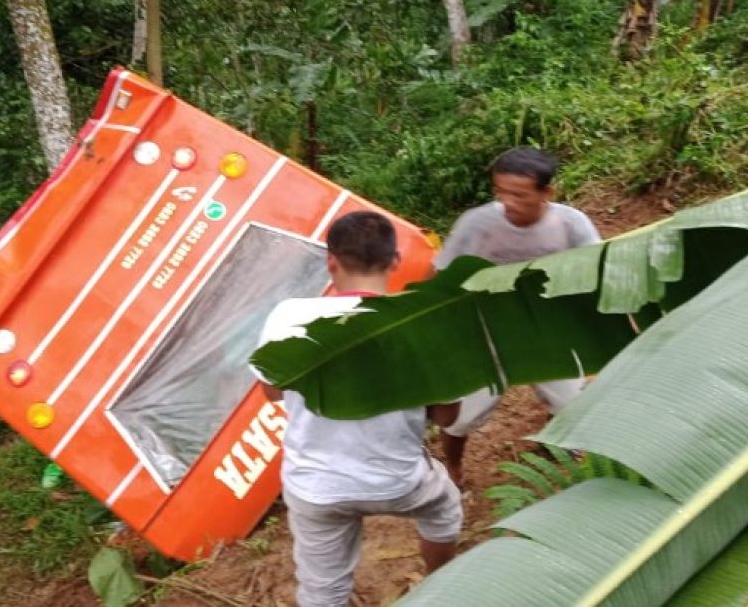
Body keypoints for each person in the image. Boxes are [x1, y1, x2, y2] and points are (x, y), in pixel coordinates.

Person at [255, 211, 463, 607]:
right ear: (395, 261)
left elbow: (273, 391)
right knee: (444, 509)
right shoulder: (421, 326)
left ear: (331, 261)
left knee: (321, 590)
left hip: (315, 487)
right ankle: (441, 586)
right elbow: (447, 418)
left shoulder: (286, 318)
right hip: (398, 484)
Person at [434, 146, 602, 486]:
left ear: (546, 193)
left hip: (548, 330)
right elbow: (441, 274)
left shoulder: (570, 224)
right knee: (462, 416)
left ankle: (559, 441)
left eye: (519, 194)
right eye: (501, 192)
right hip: (487, 331)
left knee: (572, 403)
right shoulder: (477, 224)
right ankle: (452, 464)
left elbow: (594, 270)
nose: (508, 201)